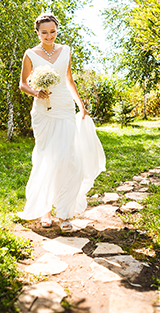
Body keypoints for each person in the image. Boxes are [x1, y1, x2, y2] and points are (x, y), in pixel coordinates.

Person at [17, 13, 105, 231]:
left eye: (52, 31)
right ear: (37, 33)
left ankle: (65, 213)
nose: (49, 35)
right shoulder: (30, 54)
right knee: (45, 158)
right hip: (43, 112)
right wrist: (36, 92)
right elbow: (22, 84)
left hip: (65, 108)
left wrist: (81, 104)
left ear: (57, 30)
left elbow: (69, 79)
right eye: (44, 32)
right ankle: (45, 211)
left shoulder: (65, 51)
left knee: (68, 159)